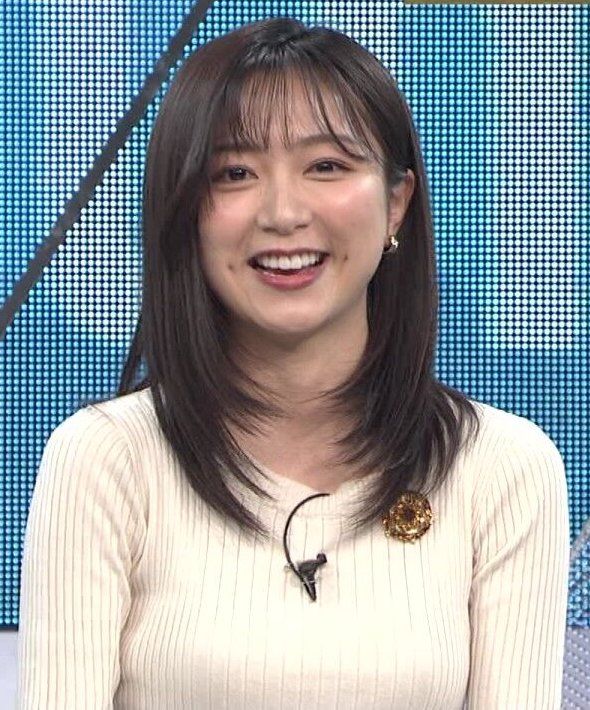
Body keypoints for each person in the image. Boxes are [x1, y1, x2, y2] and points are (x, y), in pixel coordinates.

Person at [17, 15, 570, 709]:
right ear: (186, 211)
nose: (282, 213)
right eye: (235, 173)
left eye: (326, 166)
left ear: (396, 203)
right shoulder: (105, 460)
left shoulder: (503, 469)